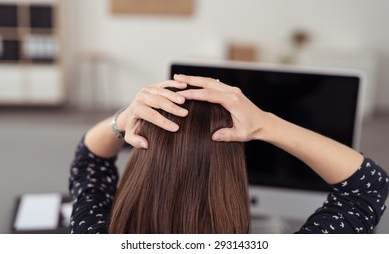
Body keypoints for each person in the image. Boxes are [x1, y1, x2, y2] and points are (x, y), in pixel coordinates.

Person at [69, 74, 389, 234]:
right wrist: (263, 123)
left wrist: (122, 120)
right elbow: (366, 187)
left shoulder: (90, 234)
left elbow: (90, 160)